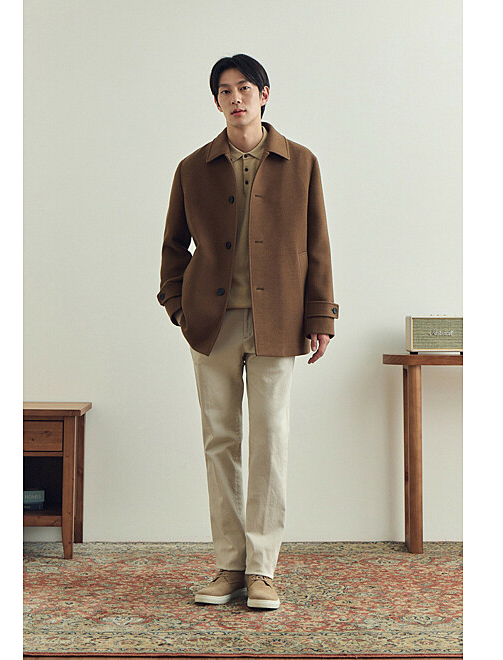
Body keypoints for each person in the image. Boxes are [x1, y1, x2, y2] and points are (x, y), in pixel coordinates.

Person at [157, 54, 339, 610]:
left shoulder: (300, 162)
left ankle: (263, 569)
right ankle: (229, 566)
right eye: (224, 91)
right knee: (220, 441)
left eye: (244, 88)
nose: (235, 98)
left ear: (264, 94)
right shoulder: (193, 168)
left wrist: (321, 317)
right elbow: (173, 246)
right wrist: (177, 307)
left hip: (278, 319)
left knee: (270, 439)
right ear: (216, 101)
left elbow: (316, 245)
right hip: (211, 324)